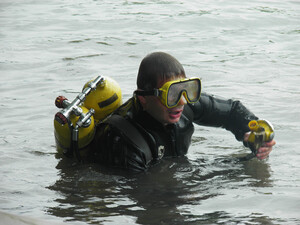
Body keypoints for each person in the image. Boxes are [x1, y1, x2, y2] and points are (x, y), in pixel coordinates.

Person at [89, 52, 276, 171]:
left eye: (185, 89)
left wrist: (254, 137)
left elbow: (231, 112)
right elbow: (144, 196)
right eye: (171, 94)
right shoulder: (123, 141)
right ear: (143, 98)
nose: (182, 101)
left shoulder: (183, 102)